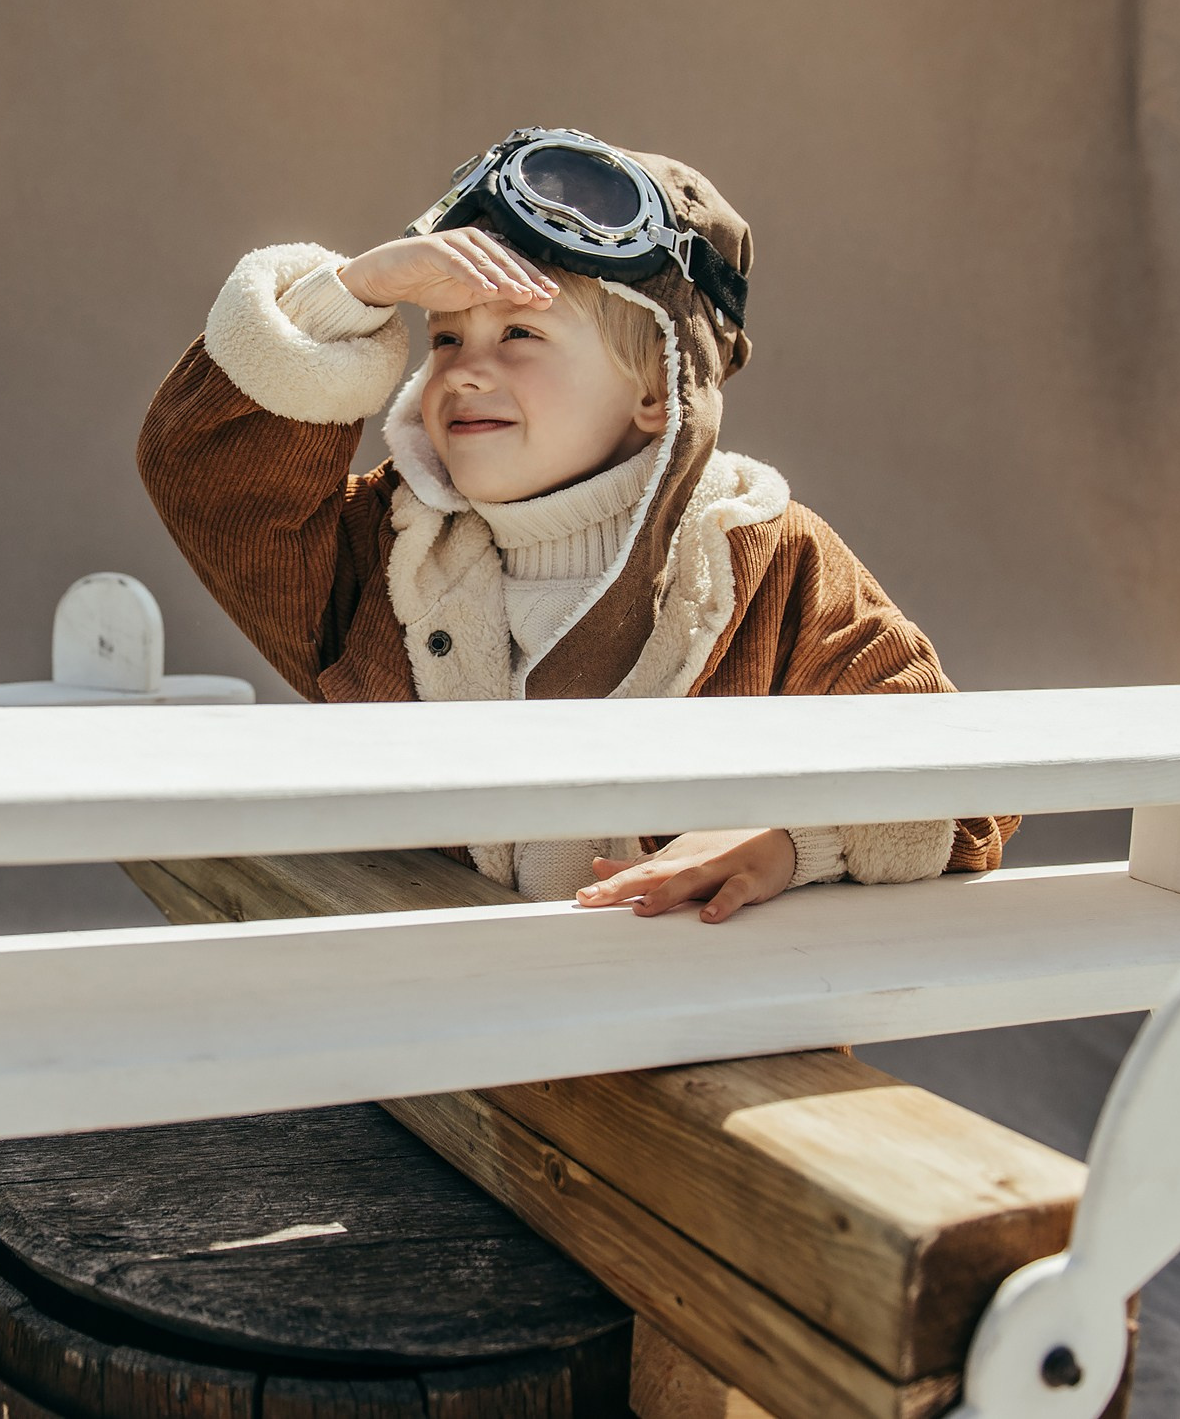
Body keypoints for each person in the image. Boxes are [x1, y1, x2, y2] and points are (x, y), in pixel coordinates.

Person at [137, 128, 1014, 921]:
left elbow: (968, 794)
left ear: (656, 390)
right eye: (445, 339)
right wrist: (352, 294)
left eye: (519, 332)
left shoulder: (769, 559)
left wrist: (791, 842)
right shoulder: (386, 556)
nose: (467, 372)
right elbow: (206, 473)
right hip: (428, 1057)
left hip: (703, 1048)